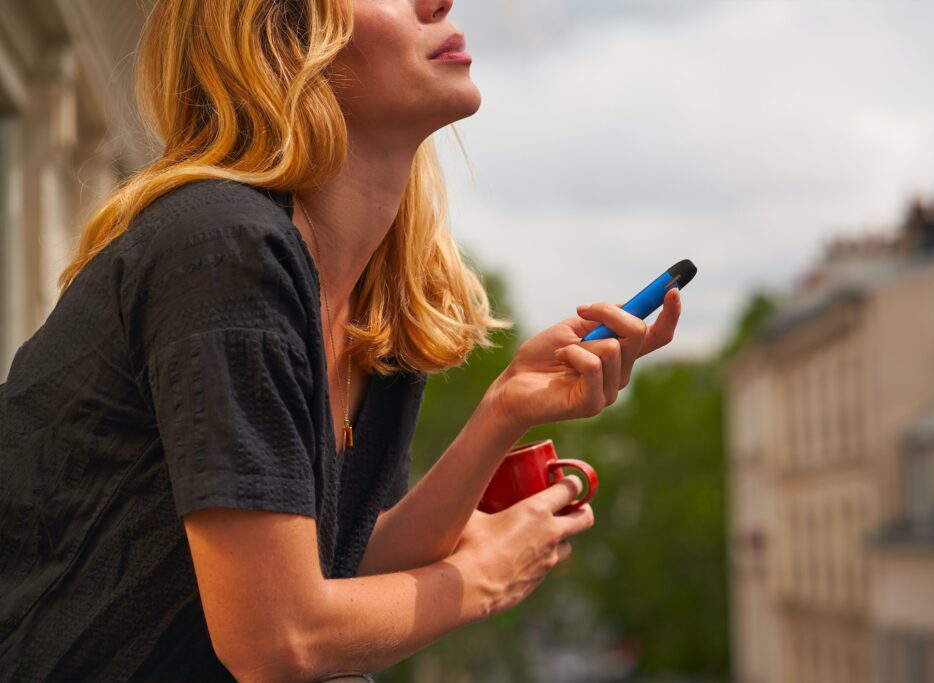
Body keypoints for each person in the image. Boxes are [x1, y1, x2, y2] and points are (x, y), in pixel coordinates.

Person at [0, 0, 683, 680]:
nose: (438, 1)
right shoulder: (226, 253)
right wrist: (483, 574)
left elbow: (342, 565)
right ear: (281, 36)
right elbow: (279, 636)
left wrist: (507, 406)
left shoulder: (372, 307)